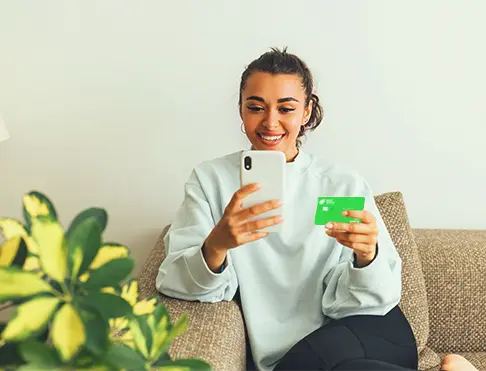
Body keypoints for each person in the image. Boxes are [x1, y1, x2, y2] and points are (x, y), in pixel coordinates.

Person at [156, 48, 477, 371]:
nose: (270, 122)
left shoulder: (338, 184)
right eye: (256, 107)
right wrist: (217, 245)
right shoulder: (212, 181)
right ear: (241, 110)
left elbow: (367, 301)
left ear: (307, 111)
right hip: (300, 356)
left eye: (286, 108)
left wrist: (366, 257)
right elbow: (174, 281)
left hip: (367, 328)